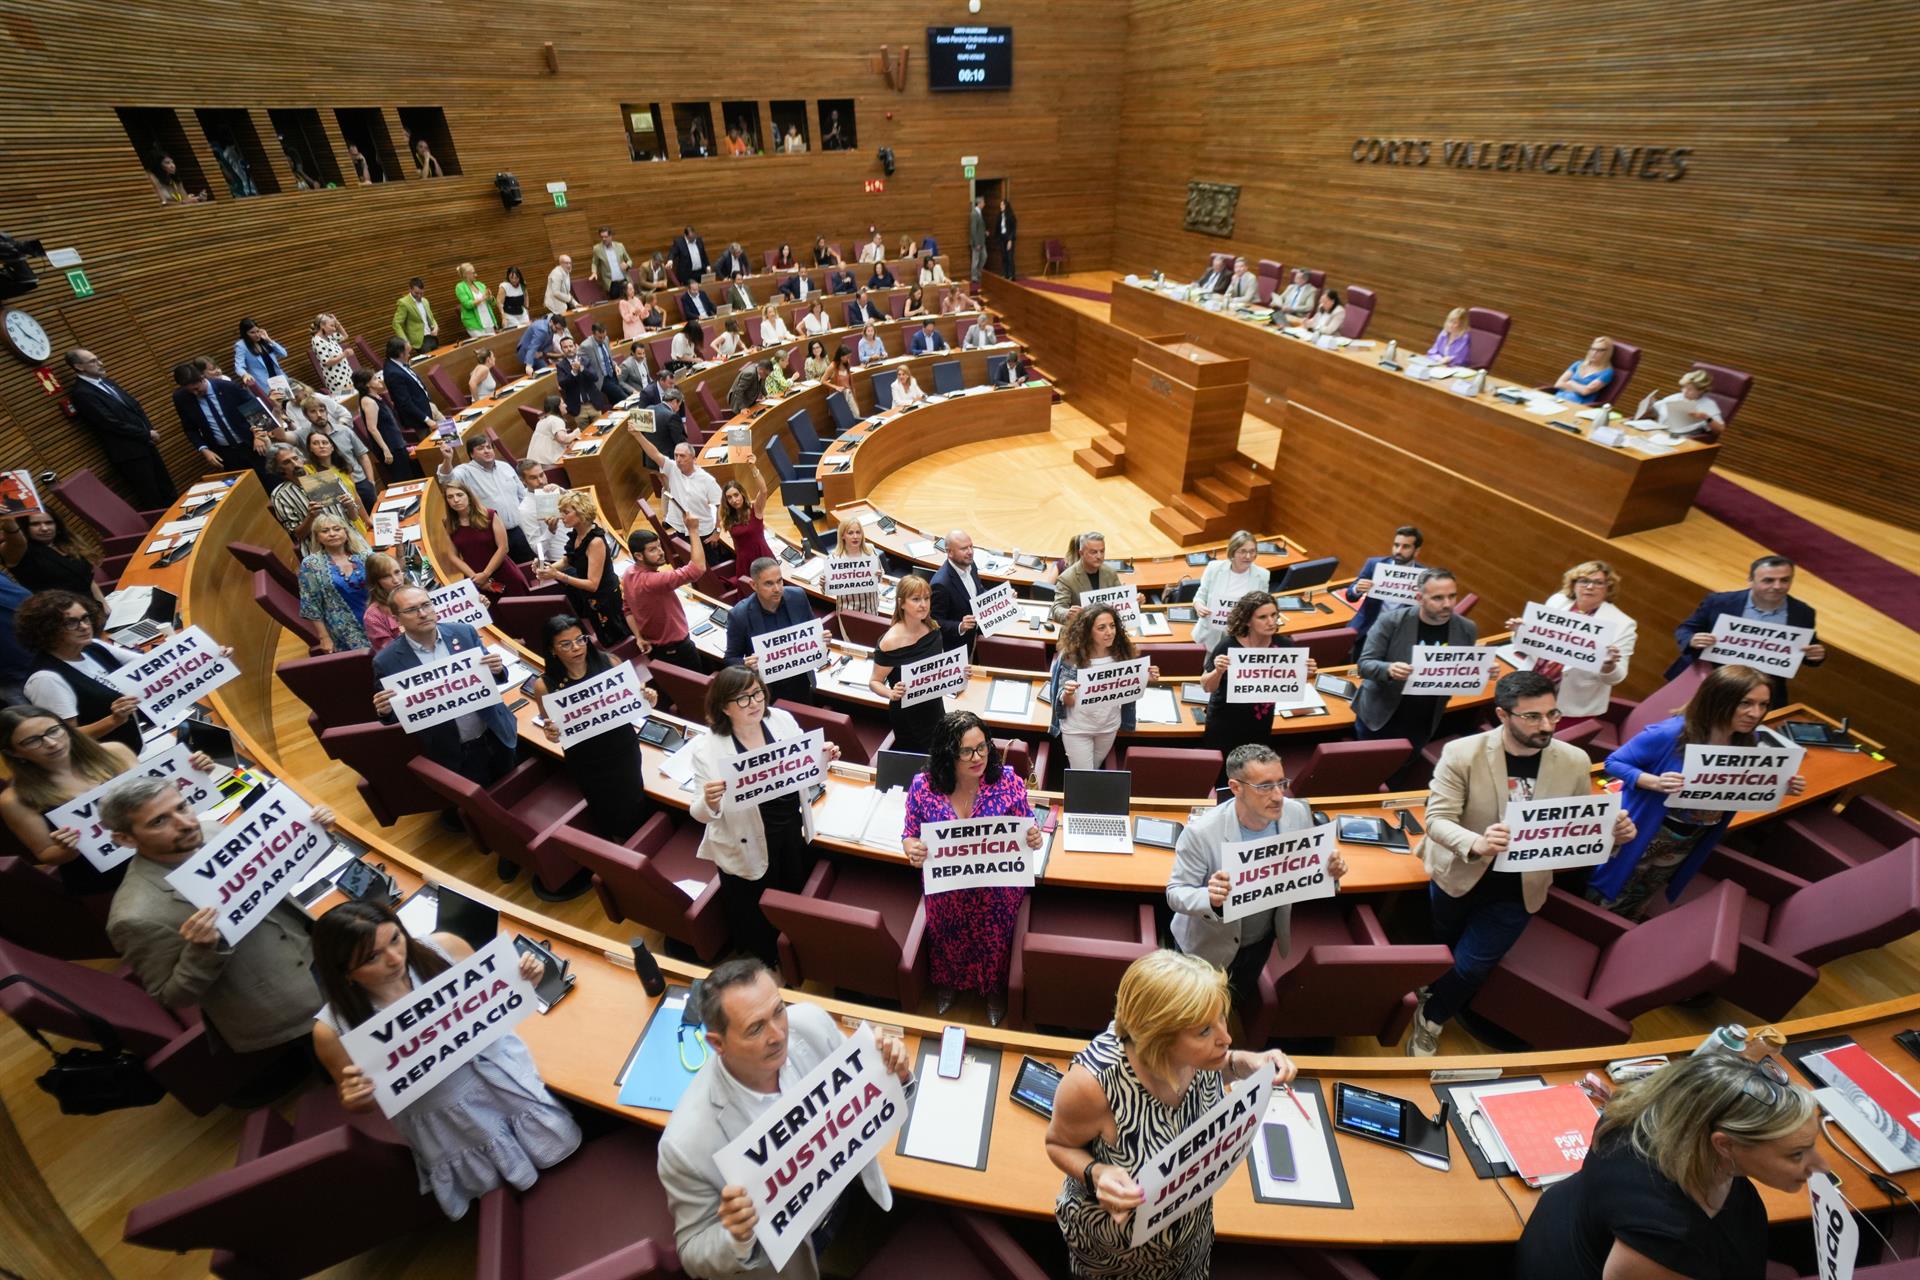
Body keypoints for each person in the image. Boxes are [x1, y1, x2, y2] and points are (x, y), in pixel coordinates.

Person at [1408, 670, 1637, 1054]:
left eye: (1552, 714)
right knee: (1444, 940)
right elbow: (1436, 820)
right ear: (1503, 714)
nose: (1546, 725)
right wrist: (1477, 842)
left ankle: (1432, 1016)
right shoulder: (1462, 753)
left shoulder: (1575, 760)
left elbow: (1578, 828)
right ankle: (1432, 982)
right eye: (1532, 716)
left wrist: (1611, 835)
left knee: (1472, 965)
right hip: (1461, 872)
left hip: (1521, 885)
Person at [310, 900, 581, 1220]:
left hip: (503, 1073)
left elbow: (496, 996)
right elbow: (361, 1098)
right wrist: (356, 1097)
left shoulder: (444, 947)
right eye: (373, 957)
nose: (395, 959)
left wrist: (524, 977)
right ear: (345, 973)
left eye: (395, 939)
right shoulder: (330, 1031)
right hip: (447, 1117)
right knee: (501, 1190)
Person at [657, 958, 911, 1280]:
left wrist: (893, 1075)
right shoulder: (683, 1145)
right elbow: (693, 1254)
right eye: (756, 1028)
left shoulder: (812, 1023)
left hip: (852, 1193)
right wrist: (737, 1236)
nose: (779, 1035)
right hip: (790, 1258)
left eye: (778, 1010)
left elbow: (865, 1105)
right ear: (717, 1044)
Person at [1048, 949, 1294, 1279]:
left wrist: (1240, 1063)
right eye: (1205, 1031)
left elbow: (1219, 1059)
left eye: (1221, 1017)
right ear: (1158, 1039)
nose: (1226, 1037)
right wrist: (1097, 1173)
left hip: (1190, 1234)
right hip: (1116, 1254)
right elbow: (1057, 1145)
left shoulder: (1201, 1055)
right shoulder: (1092, 1084)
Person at [1514, 1050, 1825, 1280]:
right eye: (1795, 1155)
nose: (1817, 1165)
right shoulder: (1666, 1237)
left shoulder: (1649, 1119)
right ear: (1725, 1144)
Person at [103, 773, 336, 1055]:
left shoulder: (213, 830)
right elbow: (171, 995)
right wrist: (202, 949)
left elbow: (275, 877)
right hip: (283, 1001)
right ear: (125, 838)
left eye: (182, 806)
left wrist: (313, 834)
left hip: (322, 953)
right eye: (159, 821)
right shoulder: (134, 916)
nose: (186, 823)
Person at [1591, 664, 1805, 921]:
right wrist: (1653, 781)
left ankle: (1624, 930)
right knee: (1614, 887)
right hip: (1646, 829)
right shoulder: (1670, 733)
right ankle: (1597, 925)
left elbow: (1736, 787)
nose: (1755, 713)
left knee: (1646, 891)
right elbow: (1614, 763)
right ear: (1718, 700)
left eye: (1763, 705)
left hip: (1691, 836)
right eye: (1746, 703)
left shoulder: (1751, 740)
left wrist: (1779, 784)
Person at [1168, 745, 1349, 1005]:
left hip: (1261, 941)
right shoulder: (1202, 832)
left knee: (1236, 998)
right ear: (1236, 787)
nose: (1278, 796)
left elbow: (1308, 870)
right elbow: (1176, 893)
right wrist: (1210, 897)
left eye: (1281, 783)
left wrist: (1331, 873)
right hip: (1207, 947)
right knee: (1193, 1008)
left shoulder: (1297, 812)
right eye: (1265, 786)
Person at [895, 713, 1039, 1024]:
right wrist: (912, 848)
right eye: (966, 751)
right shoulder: (923, 787)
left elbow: (1027, 824)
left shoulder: (1008, 782)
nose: (978, 758)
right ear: (948, 753)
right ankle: (950, 984)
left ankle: (993, 991)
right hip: (947, 894)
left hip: (996, 895)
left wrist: (1033, 835)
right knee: (947, 939)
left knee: (995, 945)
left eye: (983, 747)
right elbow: (909, 833)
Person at [690, 668, 837, 962]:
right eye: (742, 699)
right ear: (723, 706)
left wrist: (823, 759)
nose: (755, 703)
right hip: (743, 839)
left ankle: (795, 954)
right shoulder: (706, 749)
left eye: (757, 693)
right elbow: (700, 813)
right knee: (754, 909)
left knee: (791, 895)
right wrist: (710, 801)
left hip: (789, 829)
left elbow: (803, 773)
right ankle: (767, 959)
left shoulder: (780, 720)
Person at [0, 705, 211, 898]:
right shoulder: (14, 799)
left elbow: (153, 799)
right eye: (32, 740)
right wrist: (67, 849)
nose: (51, 743)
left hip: (169, 853)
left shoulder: (114, 752)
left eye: (54, 730)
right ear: (13, 752)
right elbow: (46, 854)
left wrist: (195, 773)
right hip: (112, 883)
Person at [371, 585, 517, 793]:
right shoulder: (385, 662)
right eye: (411, 610)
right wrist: (385, 711)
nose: (422, 614)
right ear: (396, 619)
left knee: (513, 791)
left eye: (426, 605)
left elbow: (495, 677)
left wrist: (496, 669)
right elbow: (398, 715)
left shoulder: (464, 632)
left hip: (496, 735)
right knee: (482, 811)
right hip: (453, 753)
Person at [530, 615, 654, 841]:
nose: (576, 648)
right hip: (585, 759)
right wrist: (551, 734)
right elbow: (554, 731)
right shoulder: (544, 686)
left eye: (580, 639)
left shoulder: (611, 663)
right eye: (566, 644)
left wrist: (648, 697)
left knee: (634, 800)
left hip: (622, 749)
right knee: (602, 805)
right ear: (552, 649)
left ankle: (641, 843)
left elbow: (636, 701)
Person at [1353, 568, 1477, 765]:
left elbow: (1457, 673)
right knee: (1367, 768)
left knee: (1402, 770)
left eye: (1452, 596)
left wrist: (1480, 670)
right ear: (1419, 597)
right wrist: (1389, 669)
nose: (1448, 604)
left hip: (1424, 720)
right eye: (1438, 598)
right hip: (1381, 715)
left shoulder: (1467, 628)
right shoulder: (1391, 621)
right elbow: (1365, 665)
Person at [1667, 554, 1824, 703]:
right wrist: (1692, 640)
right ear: (1750, 580)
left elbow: (1805, 650)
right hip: (1707, 681)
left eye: (1785, 580)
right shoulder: (1719, 602)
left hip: (1758, 691)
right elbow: (1685, 629)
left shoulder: (1803, 612)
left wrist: (1815, 655)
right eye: (1768, 580)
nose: (1777, 586)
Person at [1504, 561, 1636, 721]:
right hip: (1529, 685)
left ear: (1608, 588)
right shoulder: (1557, 601)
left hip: (1569, 701)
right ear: (1573, 584)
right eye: (1584, 581)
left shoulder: (1623, 623)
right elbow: (1533, 645)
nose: (1589, 587)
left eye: (1598, 583)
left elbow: (1616, 678)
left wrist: (1607, 665)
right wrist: (1520, 632)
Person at [17, 591, 145, 752]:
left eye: (85, 618)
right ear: (47, 629)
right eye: (71, 623)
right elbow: (67, 738)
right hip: (108, 762)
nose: (84, 626)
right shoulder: (45, 679)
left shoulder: (93, 646)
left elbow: (148, 664)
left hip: (137, 741)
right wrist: (114, 720)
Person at [1199, 592, 1318, 761]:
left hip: (1260, 724)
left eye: (1273, 615)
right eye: (1262, 617)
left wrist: (1305, 673)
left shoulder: (1284, 646)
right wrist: (1218, 671)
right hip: (1225, 724)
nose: (1271, 622)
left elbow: (1288, 684)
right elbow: (1206, 686)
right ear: (1248, 621)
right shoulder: (1228, 645)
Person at [869, 577, 975, 753]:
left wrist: (958, 673)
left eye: (927, 598)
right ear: (901, 603)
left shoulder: (932, 627)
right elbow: (874, 682)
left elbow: (937, 668)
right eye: (916, 599)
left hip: (934, 709)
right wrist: (890, 692)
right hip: (908, 718)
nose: (923, 604)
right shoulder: (890, 641)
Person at [1048, 603, 1159, 771]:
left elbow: (1128, 689)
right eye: (1101, 627)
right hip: (1077, 729)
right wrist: (1068, 693)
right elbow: (1067, 702)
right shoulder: (1071, 657)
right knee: (1084, 777)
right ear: (1087, 631)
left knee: (1094, 768)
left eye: (1112, 625)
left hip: (1108, 727)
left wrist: (1147, 678)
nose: (1110, 632)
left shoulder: (1123, 655)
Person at [63, 349, 176, 510]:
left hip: (146, 443)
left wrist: (149, 431)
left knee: (167, 487)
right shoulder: (82, 393)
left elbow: (135, 406)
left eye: (98, 359)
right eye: (93, 361)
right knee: (152, 497)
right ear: (79, 367)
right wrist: (145, 433)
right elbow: (109, 422)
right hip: (129, 453)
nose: (100, 363)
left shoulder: (108, 382)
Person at [536, 491, 629, 643]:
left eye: (566, 512)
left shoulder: (595, 542)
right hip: (590, 598)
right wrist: (547, 568)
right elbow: (568, 560)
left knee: (615, 638)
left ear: (581, 513)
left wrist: (557, 575)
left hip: (605, 599)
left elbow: (593, 585)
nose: (561, 516)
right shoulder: (577, 533)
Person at [725, 559, 818, 706]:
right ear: (753, 585)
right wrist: (745, 664)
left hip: (802, 683)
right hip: (767, 692)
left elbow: (812, 630)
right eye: (769, 583)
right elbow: (730, 658)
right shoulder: (739, 615)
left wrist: (821, 638)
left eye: (779, 581)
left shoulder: (798, 597)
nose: (777, 588)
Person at [439, 435, 534, 564]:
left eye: (489, 447)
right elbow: (447, 480)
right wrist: (447, 460)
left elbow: (522, 495)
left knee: (529, 568)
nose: (487, 450)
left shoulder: (505, 467)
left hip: (518, 531)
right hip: (489, 536)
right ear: (471, 454)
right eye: (481, 448)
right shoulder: (465, 471)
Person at [622, 529, 707, 671]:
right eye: (652, 550)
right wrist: (693, 530)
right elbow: (697, 569)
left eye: (659, 546)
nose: (661, 552)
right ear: (638, 555)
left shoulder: (628, 573)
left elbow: (627, 609)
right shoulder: (652, 581)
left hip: (655, 650)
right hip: (678, 652)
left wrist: (638, 637)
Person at [632, 437, 725, 555]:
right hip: (680, 528)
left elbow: (720, 504)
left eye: (682, 456)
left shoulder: (707, 480)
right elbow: (654, 454)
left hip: (702, 532)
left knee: (708, 565)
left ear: (693, 459)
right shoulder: (672, 468)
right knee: (687, 562)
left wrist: (717, 531)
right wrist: (637, 434)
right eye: (676, 456)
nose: (678, 459)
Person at [1343, 524, 1424, 656]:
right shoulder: (1374, 564)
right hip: (1367, 629)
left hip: (1397, 636)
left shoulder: (1424, 576)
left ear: (1417, 551)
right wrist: (1357, 588)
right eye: (1396, 545)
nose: (1398, 550)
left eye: (1406, 547)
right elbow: (1350, 595)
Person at [297, 514, 372, 653]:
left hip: (378, 617)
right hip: (344, 628)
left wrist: (399, 551)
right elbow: (311, 604)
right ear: (317, 537)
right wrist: (324, 637)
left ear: (346, 532)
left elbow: (388, 578)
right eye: (325, 531)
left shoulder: (364, 556)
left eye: (337, 529)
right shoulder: (311, 564)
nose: (332, 534)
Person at [268, 443, 366, 549]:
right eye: (287, 462)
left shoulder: (328, 479)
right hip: (320, 550)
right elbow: (297, 535)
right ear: (279, 469)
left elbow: (354, 517)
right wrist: (311, 516)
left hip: (352, 541)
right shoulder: (280, 495)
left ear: (301, 459)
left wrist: (350, 506)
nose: (295, 464)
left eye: (296, 458)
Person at [444, 479, 531, 597]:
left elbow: (503, 548)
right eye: (450, 497)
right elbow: (452, 556)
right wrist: (476, 578)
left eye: (459, 495)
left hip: (502, 572)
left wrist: (485, 574)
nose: (456, 500)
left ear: (469, 496)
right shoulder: (448, 523)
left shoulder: (489, 515)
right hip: (475, 578)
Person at [0, 509, 100, 600]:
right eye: (35, 524)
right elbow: (17, 542)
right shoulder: (22, 553)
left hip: (94, 607)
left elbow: (88, 580)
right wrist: (9, 521)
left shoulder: (66, 544)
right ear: (25, 527)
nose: (44, 528)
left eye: (49, 523)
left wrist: (105, 607)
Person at [1190, 531, 1263, 652]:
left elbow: (1261, 607)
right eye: (1243, 551)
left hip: (1239, 638)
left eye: (1252, 551)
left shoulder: (1262, 576)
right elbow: (1199, 597)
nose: (1248, 556)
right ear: (1232, 552)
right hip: (1210, 635)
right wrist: (1199, 606)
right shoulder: (1214, 568)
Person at [352, 368, 419, 482]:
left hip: (396, 444)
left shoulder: (376, 397)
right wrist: (386, 449)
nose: (379, 380)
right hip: (390, 447)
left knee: (411, 475)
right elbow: (372, 428)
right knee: (403, 480)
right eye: (374, 379)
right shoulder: (369, 402)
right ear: (368, 384)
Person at [1050, 530, 1121, 625]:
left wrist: (1134, 602)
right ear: (1081, 553)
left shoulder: (1110, 573)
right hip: (1080, 633)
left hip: (1107, 631)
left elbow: (1122, 602)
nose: (1099, 556)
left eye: (1102, 551)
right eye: (1094, 552)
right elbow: (1056, 609)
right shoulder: (1067, 578)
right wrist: (1067, 613)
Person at [928, 530, 984, 633]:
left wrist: (1004, 596)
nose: (970, 552)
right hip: (957, 644)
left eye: (971, 546)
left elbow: (979, 591)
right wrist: (960, 626)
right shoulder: (941, 584)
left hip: (976, 637)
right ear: (949, 552)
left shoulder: (971, 564)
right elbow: (934, 622)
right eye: (964, 548)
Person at [826, 517, 883, 617]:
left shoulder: (870, 550)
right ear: (843, 535)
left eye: (858, 532)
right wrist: (824, 583)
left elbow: (880, 575)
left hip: (872, 609)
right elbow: (828, 589)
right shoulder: (833, 558)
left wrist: (879, 575)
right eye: (850, 533)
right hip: (848, 613)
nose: (855, 536)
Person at [382, 336, 436, 439]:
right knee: (433, 446)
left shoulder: (398, 363)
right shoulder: (392, 373)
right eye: (407, 352)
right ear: (400, 354)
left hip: (428, 407)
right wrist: (426, 419)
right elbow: (405, 403)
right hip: (420, 419)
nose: (409, 355)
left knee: (451, 435)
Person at [1650, 369, 1727, 439]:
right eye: (1684, 387)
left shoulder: (1708, 404)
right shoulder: (1677, 397)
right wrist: (1650, 405)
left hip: (1683, 439)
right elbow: (1654, 412)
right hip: (1661, 433)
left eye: (1690, 389)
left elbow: (1719, 430)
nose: (1685, 391)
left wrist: (1705, 417)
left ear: (1701, 390)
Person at [359, 552, 406, 653]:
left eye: (397, 572)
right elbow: (390, 654)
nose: (396, 580)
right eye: (386, 576)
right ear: (376, 582)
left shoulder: (419, 596)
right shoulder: (373, 616)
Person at [1554, 336, 1617, 404]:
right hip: (1558, 399)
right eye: (1592, 349)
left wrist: (1570, 382)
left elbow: (1585, 391)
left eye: (1599, 350)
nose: (1594, 353)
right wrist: (1579, 389)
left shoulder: (1607, 372)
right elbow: (1558, 384)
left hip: (1577, 405)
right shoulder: (1578, 364)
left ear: (1607, 353)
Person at [232, 318, 289, 393]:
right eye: (252, 332)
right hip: (263, 383)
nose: (257, 335)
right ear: (245, 334)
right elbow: (238, 366)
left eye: (258, 331)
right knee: (277, 404)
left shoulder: (264, 340)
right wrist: (244, 374)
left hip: (279, 378)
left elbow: (284, 354)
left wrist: (268, 339)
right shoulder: (241, 345)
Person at [309, 313, 356, 397]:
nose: (334, 329)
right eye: (332, 326)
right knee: (348, 400)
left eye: (335, 326)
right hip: (337, 379)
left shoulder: (329, 336)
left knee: (354, 397)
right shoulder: (317, 341)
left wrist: (337, 322)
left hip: (346, 373)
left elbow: (345, 336)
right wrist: (344, 354)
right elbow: (327, 362)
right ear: (322, 325)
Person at [525, 394, 578, 467]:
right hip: (547, 465)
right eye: (563, 403)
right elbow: (563, 439)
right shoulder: (556, 420)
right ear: (557, 407)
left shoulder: (541, 420)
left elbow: (552, 439)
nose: (565, 405)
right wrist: (576, 433)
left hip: (534, 464)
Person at [390, 280, 440, 353]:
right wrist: (405, 341)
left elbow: (431, 318)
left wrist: (436, 327)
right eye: (416, 293)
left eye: (421, 293)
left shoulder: (425, 301)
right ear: (410, 289)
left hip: (432, 337)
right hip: (420, 341)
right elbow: (396, 323)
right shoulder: (404, 303)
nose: (419, 295)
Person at [454, 263, 495, 338]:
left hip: (487, 320)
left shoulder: (480, 284)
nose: (476, 275)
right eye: (473, 273)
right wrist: (483, 298)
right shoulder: (460, 287)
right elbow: (467, 304)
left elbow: (492, 303)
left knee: (493, 344)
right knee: (482, 346)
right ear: (466, 274)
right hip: (474, 323)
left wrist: (490, 298)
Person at [591, 226, 633, 296]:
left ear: (611, 236)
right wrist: (594, 272)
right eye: (602, 237)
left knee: (630, 298)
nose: (603, 239)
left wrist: (627, 265)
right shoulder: (597, 249)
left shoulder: (620, 246)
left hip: (624, 279)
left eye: (606, 236)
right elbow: (594, 263)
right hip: (611, 283)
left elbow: (629, 260)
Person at [497, 265, 530, 329]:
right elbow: (499, 302)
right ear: (508, 277)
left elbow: (526, 296)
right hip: (509, 315)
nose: (514, 280)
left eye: (516, 278)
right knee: (516, 331)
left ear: (519, 277)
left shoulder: (522, 284)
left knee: (527, 329)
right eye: (511, 278)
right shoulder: (504, 286)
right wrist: (503, 317)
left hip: (522, 312)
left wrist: (527, 308)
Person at [968, 194, 988, 285]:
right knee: (975, 259)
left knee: (984, 257)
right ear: (979, 203)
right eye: (983, 202)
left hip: (982, 241)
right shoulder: (974, 213)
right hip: (977, 242)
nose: (984, 204)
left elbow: (979, 228)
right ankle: (974, 277)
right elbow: (973, 229)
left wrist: (984, 233)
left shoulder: (979, 212)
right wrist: (976, 243)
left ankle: (979, 273)